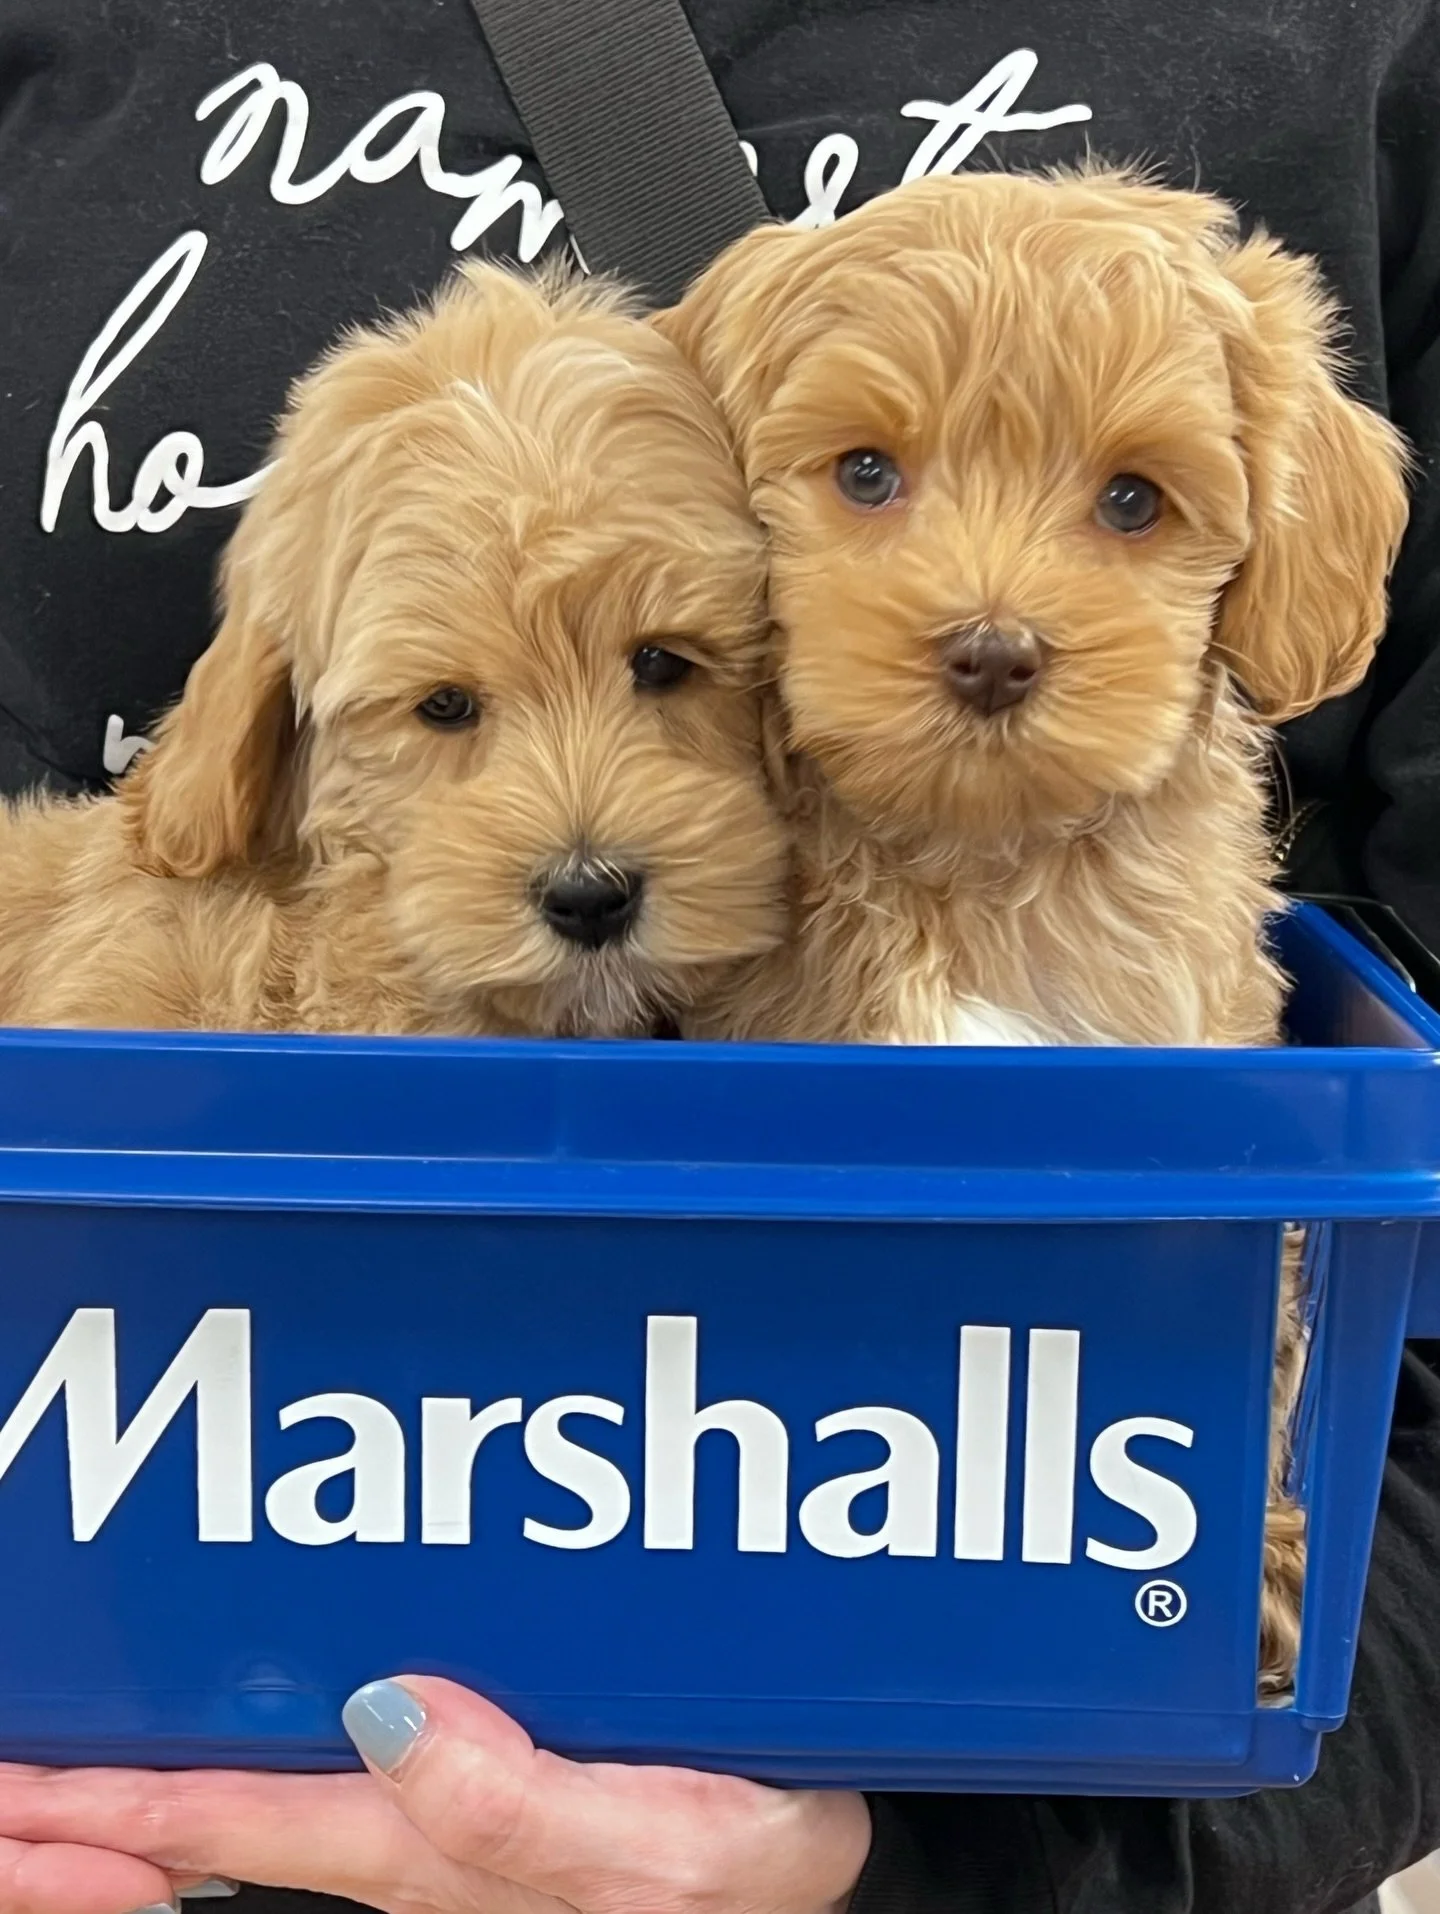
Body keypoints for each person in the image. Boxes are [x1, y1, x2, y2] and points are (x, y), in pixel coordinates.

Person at [0, 1, 1437, 1910]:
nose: (988, 610)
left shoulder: (1362, 59)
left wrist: (986, 1868)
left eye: (1128, 500)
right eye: (864, 478)